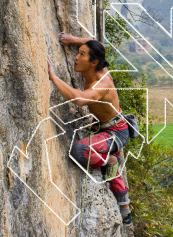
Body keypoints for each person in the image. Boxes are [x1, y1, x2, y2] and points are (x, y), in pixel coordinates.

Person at [47, 33, 132, 225]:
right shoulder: (98, 62)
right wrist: (72, 40)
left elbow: (79, 99)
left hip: (115, 132)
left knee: (80, 150)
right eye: (78, 53)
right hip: (108, 127)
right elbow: (99, 43)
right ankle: (124, 205)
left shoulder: (101, 83)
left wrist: (53, 77)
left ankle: (110, 161)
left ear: (93, 62)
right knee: (108, 163)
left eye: (82, 54)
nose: (76, 57)